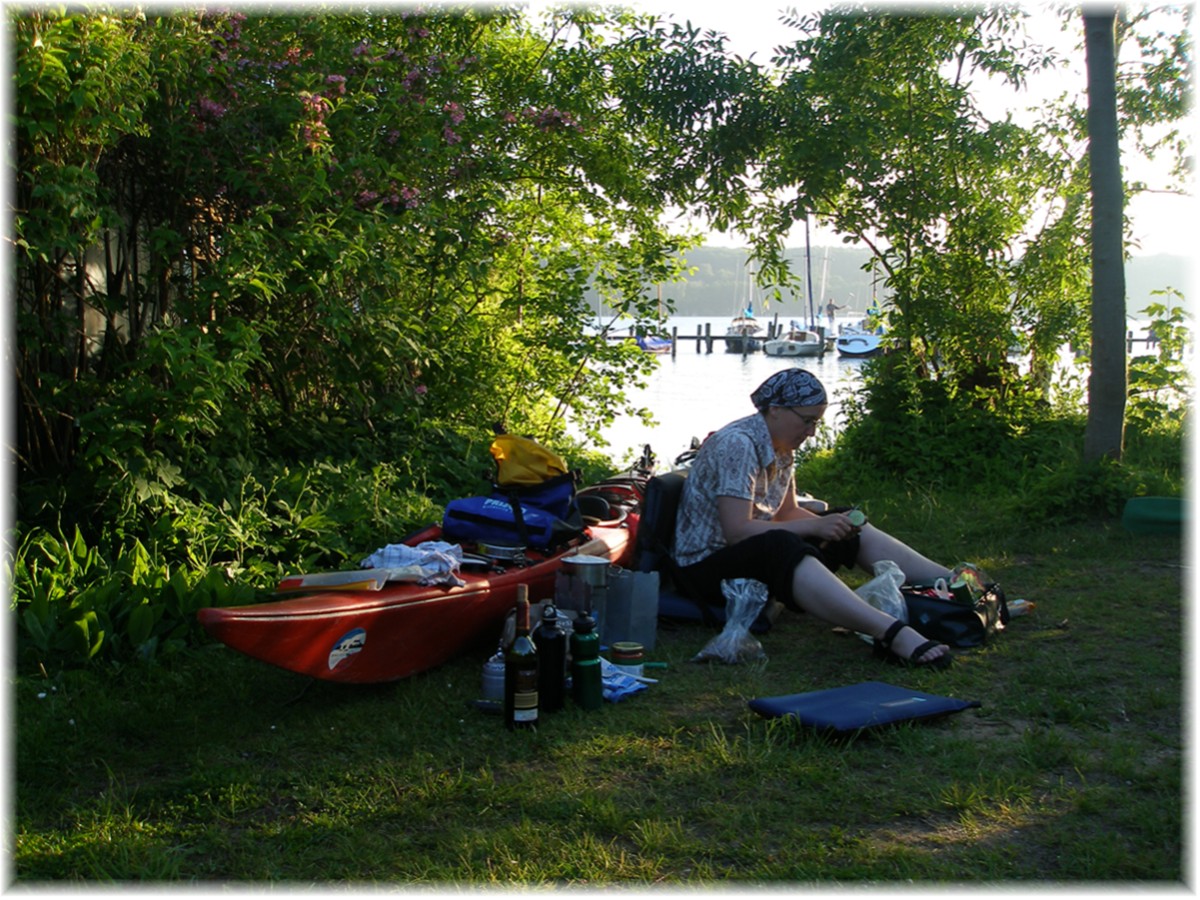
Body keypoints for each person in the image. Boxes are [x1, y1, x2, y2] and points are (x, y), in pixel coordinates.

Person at [671, 368, 954, 668]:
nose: (812, 432)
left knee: (843, 520)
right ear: (776, 409)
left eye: (816, 422)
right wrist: (815, 525)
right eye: (807, 421)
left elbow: (787, 511)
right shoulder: (738, 444)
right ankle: (892, 633)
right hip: (702, 570)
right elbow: (737, 531)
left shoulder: (780, 446)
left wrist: (832, 526)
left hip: (745, 556)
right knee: (781, 543)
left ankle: (951, 584)